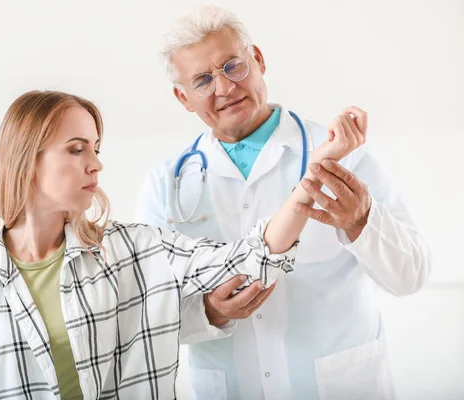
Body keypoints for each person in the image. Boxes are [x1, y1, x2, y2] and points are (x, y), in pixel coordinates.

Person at [0, 90, 364, 399]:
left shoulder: (133, 251)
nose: (96, 164)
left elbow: (251, 259)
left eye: (96, 148)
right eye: (77, 149)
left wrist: (314, 177)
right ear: (27, 159)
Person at [134, 6, 432, 400]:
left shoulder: (346, 154)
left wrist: (361, 220)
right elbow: (149, 317)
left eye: (232, 66)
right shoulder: (165, 185)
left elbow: (410, 275)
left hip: (342, 386)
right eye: (203, 80)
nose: (224, 88)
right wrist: (209, 311)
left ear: (257, 60)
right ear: (183, 97)